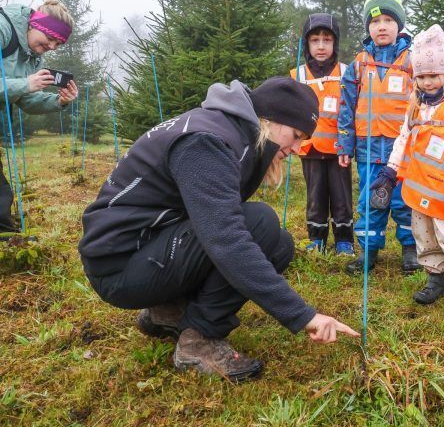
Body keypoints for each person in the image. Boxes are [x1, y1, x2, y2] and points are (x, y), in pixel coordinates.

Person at [78, 78, 359, 383]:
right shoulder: (208, 142)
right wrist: (304, 315)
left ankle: (167, 312)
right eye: (295, 135)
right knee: (259, 223)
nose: (297, 148)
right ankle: (199, 341)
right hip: (120, 267)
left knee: (279, 244)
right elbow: (226, 241)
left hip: (148, 249)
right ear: (271, 118)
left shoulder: (227, 130)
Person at [370, 24, 444, 320]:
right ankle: (436, 279)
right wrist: (389, 173)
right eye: (421, 76)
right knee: (424, 237)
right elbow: (403, 140)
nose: (426, 82)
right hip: (420, 189)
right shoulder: (415, 106)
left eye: (433, 75)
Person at [337, 0, 419, 275]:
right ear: (368, 27)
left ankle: (411, 251)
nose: (381, 27)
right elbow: (346, 107)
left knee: (403, 201)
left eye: (387, 20)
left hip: (404, 153)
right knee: (370, 200)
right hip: (368, 149)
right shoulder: (359, 64)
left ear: (399, 24)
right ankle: (368, 252)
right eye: (375, 22)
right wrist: (344, 145)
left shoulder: (413, 61)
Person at [0, 0, 79, 233]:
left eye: (59, 43)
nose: (53, 46)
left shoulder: (33, 55)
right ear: (36, 24)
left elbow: (25, 99)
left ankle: (7, 239)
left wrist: (58, 101)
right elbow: (23, 87)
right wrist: (26, 83)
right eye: (51, 38)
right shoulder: (4, 29)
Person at [289, 13, 354, 257]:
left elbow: (352, 110)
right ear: (307, 44)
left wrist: (350, 144)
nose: (321, 46)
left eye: (327, 40)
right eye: (315, 40)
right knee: (315, 196)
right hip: (311, 149)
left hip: (339, 151)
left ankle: (344, 240)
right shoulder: (298, 76)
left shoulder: (347, 72)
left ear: (335, 43)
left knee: (341, 196)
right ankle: (317, 239)